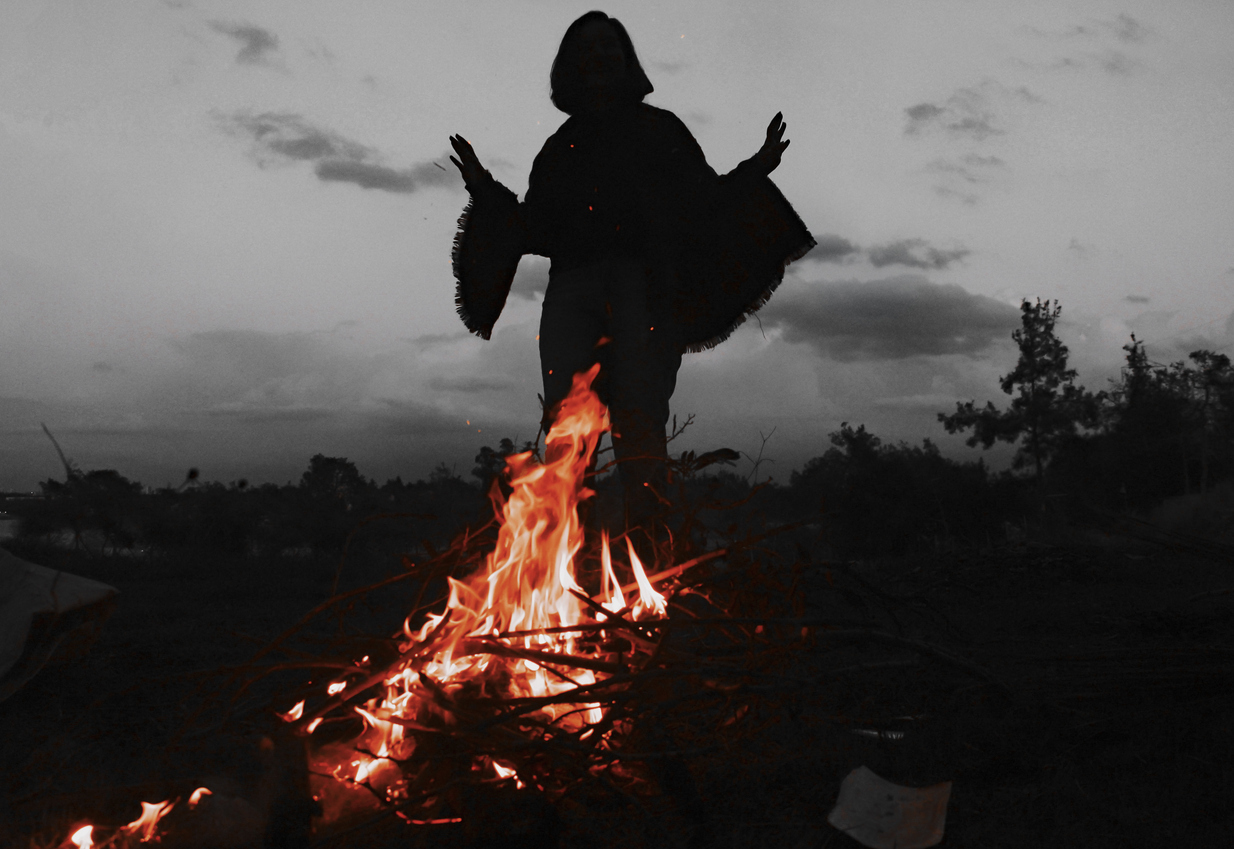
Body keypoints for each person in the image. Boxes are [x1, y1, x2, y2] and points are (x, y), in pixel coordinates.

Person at [449, 11, 815, 551]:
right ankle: (564, 569)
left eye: (609, 47)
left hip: (642, 292)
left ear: (626, 61)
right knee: (568, 434)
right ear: (570, 68)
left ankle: (649, 560)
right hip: (571, 294)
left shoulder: (660, 130)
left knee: (640, 428)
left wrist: (755, 168)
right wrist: (484, 187)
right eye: (587, 49)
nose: (599, 56)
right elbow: (536, 226)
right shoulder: (558, 148)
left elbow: (701, 201)